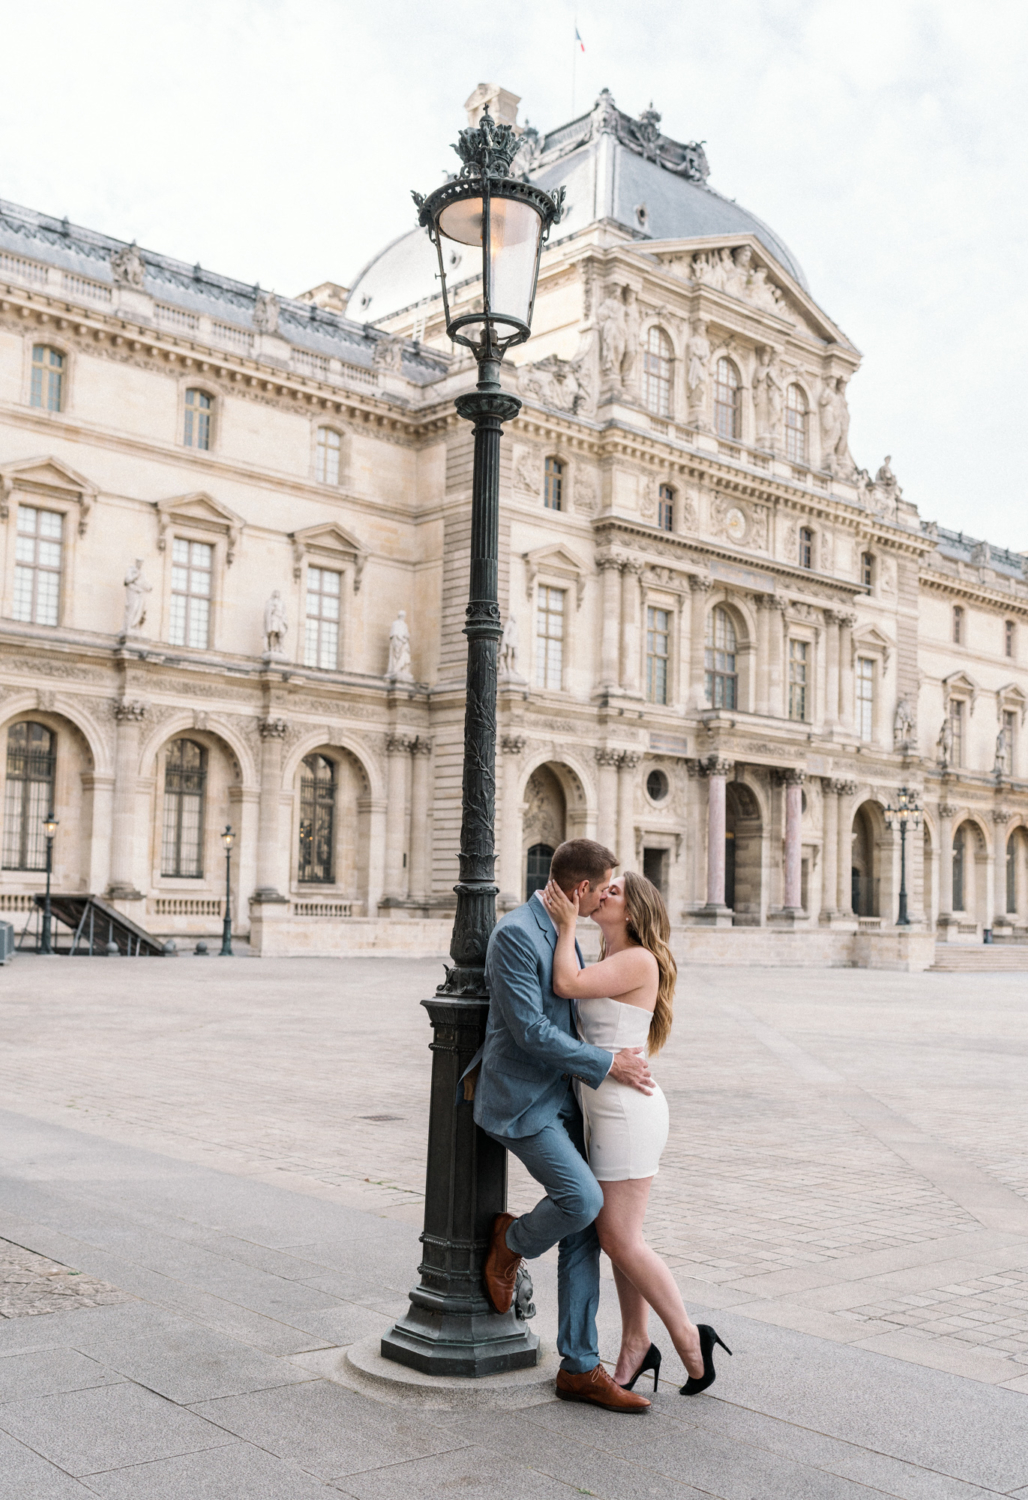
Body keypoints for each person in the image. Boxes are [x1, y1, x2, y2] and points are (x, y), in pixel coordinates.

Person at [470, 839, 655, 1412]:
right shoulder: (517, 934)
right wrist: (608, 1064)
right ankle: (511, 1241)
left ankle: (579, 1367)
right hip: (520, 1098)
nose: (606, 898)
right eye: (602, 889)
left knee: (585, 1225)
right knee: (581, 1199)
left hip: (567, 1098)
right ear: (580, 891)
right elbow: (529, 1031)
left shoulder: (576, 935)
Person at [541, 869, 732, 1398]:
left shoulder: (638, 959)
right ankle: (635, 1343)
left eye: (615, 891)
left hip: (627, 1113)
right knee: (623, 1241)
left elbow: (566, 986)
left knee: (619, 1239)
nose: (605, 893)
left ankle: (691, 1340)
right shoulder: (611, 958)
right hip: (607, 1107)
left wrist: (563, 926)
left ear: (632, 911)